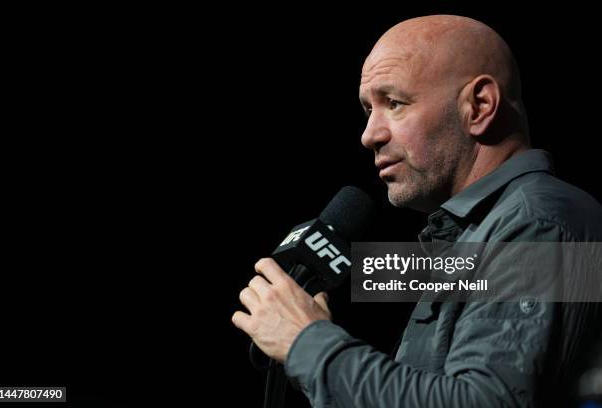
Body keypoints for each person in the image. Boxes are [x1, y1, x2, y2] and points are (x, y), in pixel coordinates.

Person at [231, 15, 602, 406]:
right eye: (367, 110)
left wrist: (309, 345)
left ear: (479, 106)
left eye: (394, 103)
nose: (369, 134)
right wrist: (307, 357)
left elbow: (483, 402)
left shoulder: (540, 221)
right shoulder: (473, 234)